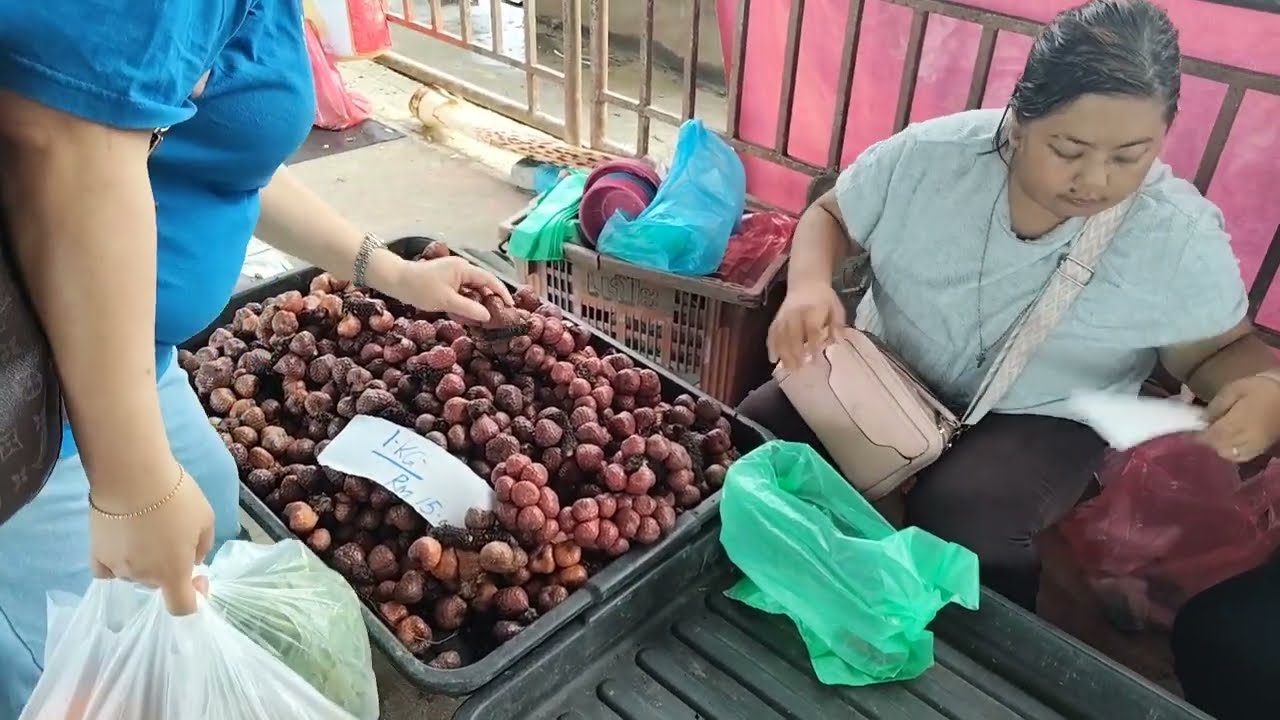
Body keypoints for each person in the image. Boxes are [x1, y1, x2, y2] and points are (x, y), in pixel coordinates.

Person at [0, 0, 512, 712]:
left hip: (133, 365)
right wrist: (133, 485)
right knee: (83, 680)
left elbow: (224, 151)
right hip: (25, 431)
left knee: (203, 540)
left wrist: (390, 272)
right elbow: (65, 143)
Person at [738, 0, 1280, 617]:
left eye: (1130, 156)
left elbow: (1219, 351)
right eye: (1069, 148)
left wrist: (1259, 390)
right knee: (758, 438)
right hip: (886, 376)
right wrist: (810, 286)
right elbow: (832, 214)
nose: (1095, 179)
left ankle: (978, 659)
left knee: (971, 514)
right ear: (1020, 120)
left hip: (1043, 415)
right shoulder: (932, 158)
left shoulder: (1177, 235)